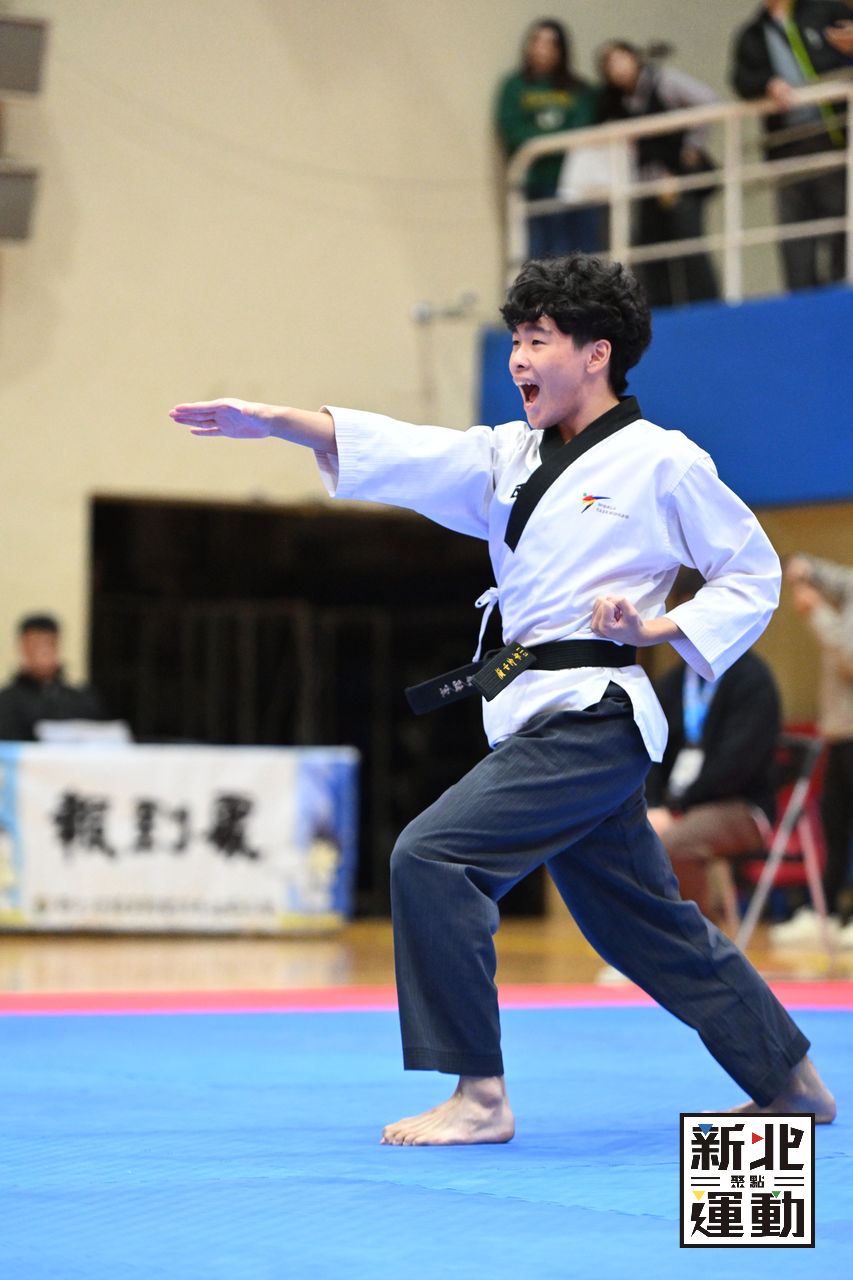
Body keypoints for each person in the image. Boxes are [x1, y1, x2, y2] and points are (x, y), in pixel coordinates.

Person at [171, 253, 835, 1144]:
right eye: (515, 340)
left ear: (596, 354)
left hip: (594, 714)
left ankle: (479, 1095)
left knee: (432, 857)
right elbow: (402, 451)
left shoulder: (662, 461)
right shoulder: (507, 457)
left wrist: (658, 625)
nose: (518, 359)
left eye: (537, 340)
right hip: (531, 711)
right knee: (643, 926)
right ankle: (791, 1080)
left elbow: (749, 572)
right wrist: (278, 423)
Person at [644, 567, 781, 926]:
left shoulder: (752, 679)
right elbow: (649, 754)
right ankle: (649, 941)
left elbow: (739, 765)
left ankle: (698, 940)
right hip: (676, 806)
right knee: (622, 840)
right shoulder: (670, 684)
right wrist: (654, 805)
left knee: (674, 845)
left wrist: (678, 807)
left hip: (740, 807)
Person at [731, 1, 853, 291]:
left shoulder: (823, 9)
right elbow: (740, 79)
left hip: (831, 135)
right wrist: (767, 84)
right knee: (794, 230)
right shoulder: (752, 33)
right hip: (786, 144)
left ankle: (841, 288)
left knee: (840, 221)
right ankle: (802, 298)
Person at [598, 40, 720, 308]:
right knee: (652, 255)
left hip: (680, 176)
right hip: (647, 186)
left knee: (689, 247)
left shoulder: (664, 81)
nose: (617, 68)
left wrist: (692, 147)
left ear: (634, 57)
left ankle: (707, 309)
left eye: (620, 59)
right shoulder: (615, 103)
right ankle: (660, 315)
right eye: (609, 65)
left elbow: (709, 101)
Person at [773, 554, 853, 945]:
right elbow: (843, 580)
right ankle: (828, 914)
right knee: (834, 828)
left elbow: (850, 660)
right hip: (840, 734)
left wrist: (816, 611)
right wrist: (808, 569)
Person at [495, 18, 601, 258]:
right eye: (537, 41)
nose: (542, 49)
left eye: (551, 43)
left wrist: (546, 140)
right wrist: (555, 140)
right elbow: (514, 133)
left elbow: (582, 131)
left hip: (576, 184)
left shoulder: (579, 89)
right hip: (535, 183)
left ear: (561, 50)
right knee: (541, 258)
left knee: (581, 257)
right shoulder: (514, 86)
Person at [0, 614, 106, 741]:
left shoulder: (82, 700)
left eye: (49, 644)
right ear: (23, 648)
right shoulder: (5, 701)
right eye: (36, 646)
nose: (43, 653)